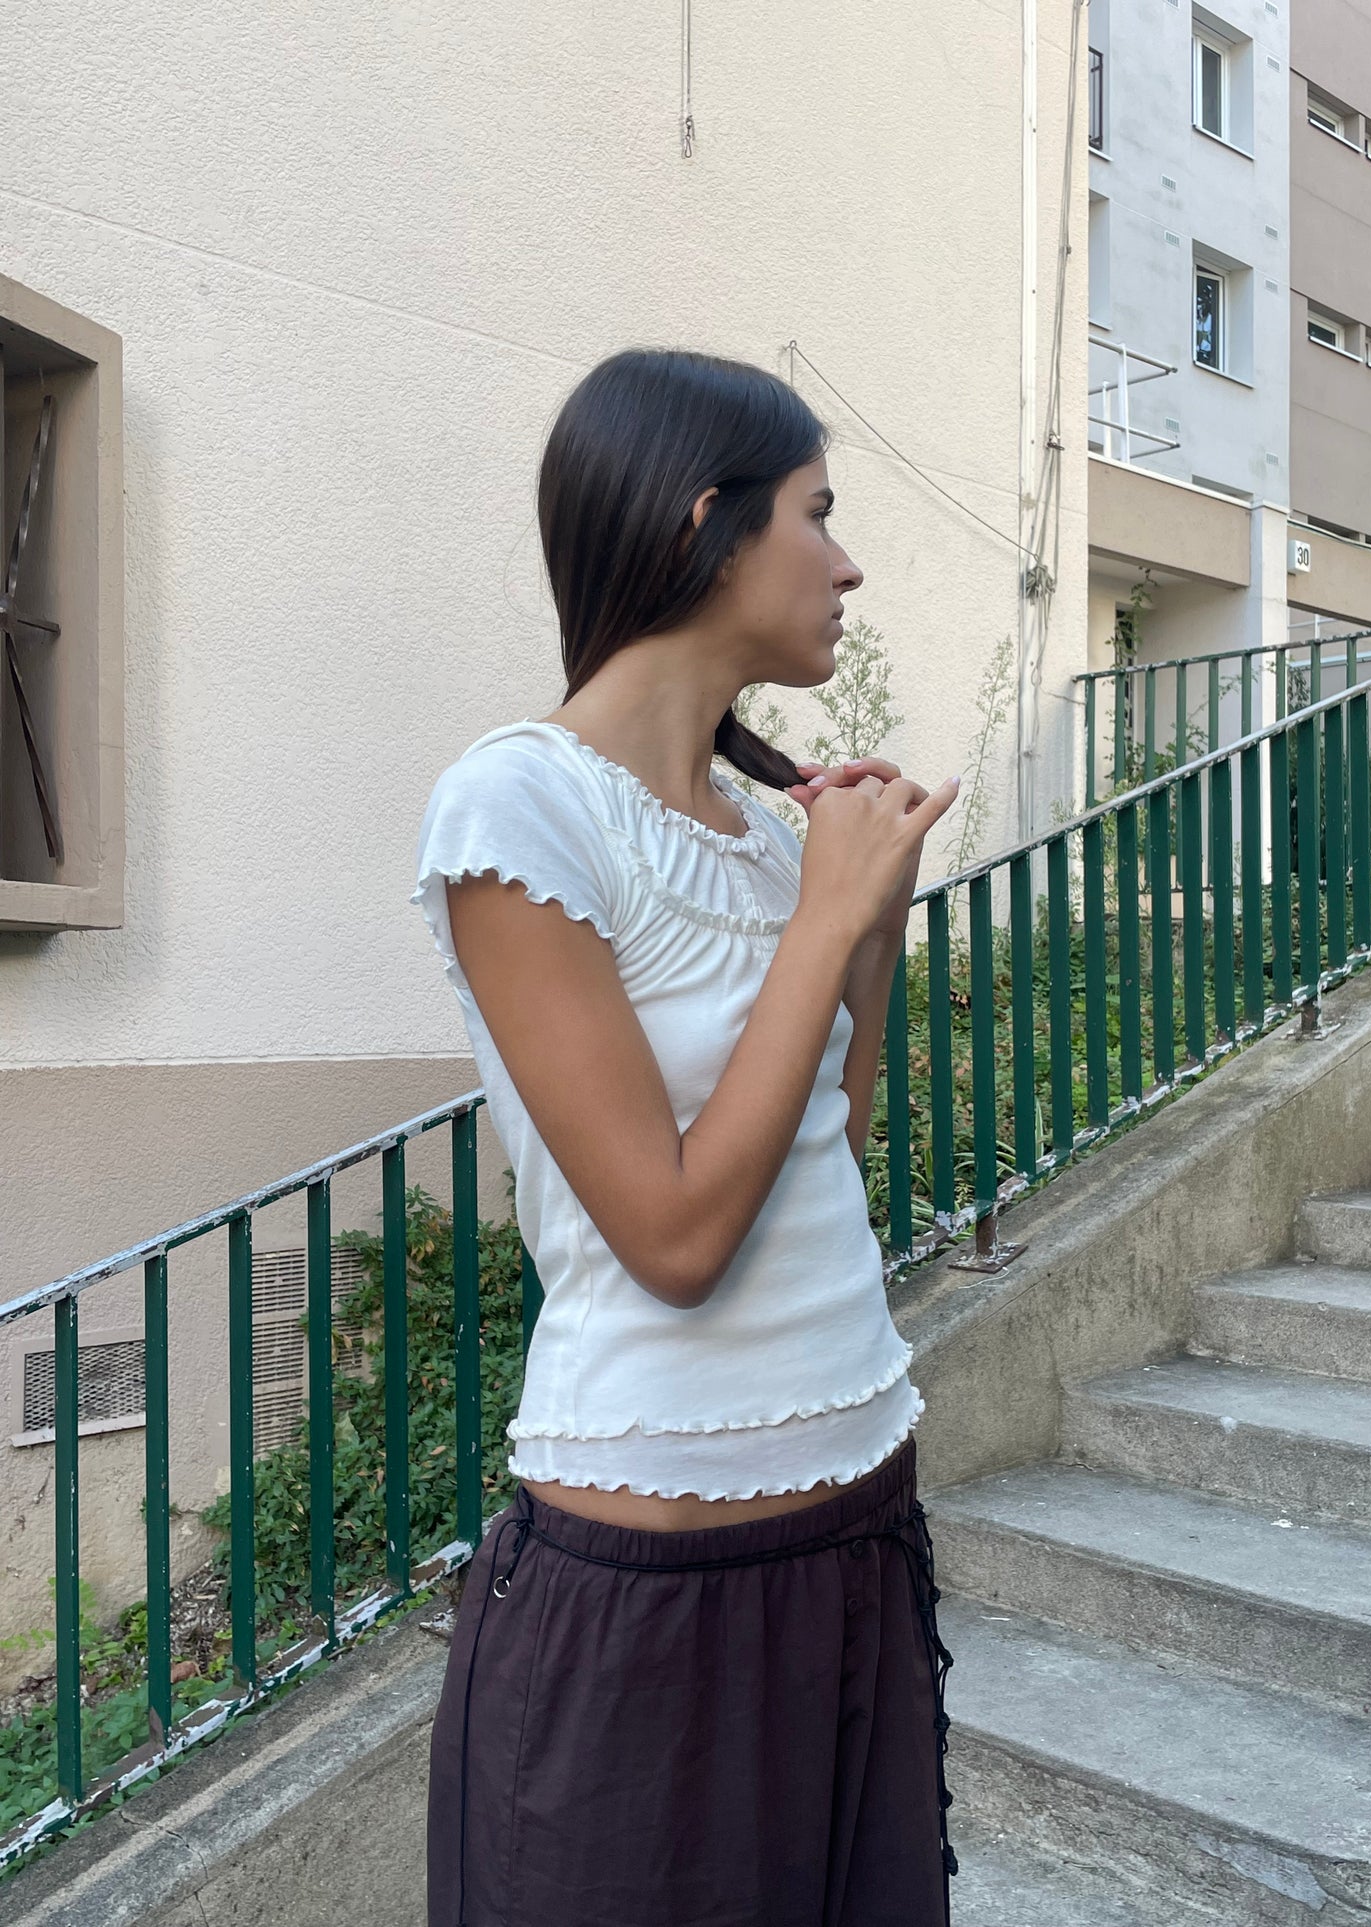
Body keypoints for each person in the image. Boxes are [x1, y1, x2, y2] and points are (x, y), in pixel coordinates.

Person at [413, 347, 962, 1927]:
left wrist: (867, 920)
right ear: (702, 522)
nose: (848, 560)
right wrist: (825, 920)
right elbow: (671, 1239)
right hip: (652, 1587)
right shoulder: (518, 807)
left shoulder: (752, 831)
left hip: (858, 1521)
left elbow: (824, 1150)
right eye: (818, 512)